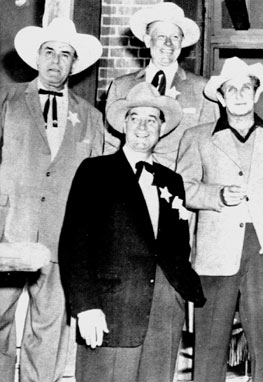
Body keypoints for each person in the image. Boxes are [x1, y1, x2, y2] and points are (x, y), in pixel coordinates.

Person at [59, 82, 205, 382]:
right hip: (112, 307)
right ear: (123, 124)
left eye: (152, 119)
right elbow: (74, 244)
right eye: (135, 118)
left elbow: (178, 247)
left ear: (161, 128)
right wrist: (85, 307)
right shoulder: (94, 171)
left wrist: (180, 293)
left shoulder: (172, 181)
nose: (143, 126)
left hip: (164, 311)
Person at [176, 57, 263, 382]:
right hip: (214, 253)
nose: (240, 94)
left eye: (246, 87)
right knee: (209, 348)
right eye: (231, 89)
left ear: (256, 94)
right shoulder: (197, 137)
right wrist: (215, 195)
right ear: (220, 97)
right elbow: (185, 189)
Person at [0, 18, 104, 382]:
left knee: (50, 330)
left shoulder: (91, 118)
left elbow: (96, 185)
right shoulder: (6, 100)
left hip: (64, 239)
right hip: (9, 234)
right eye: (49, 52)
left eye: (65, 54)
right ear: (36, 58)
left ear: (75, 64)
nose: (56, 61)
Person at [105, 2, 219, 169]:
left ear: (182, 43)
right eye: (160, 36)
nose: (168, 44)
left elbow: (210, 147)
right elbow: (110, 143)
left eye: (175, 37)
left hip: (179, 184)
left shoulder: (202, 89)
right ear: (147, 40)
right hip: (128, 184)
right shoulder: (120, 86)